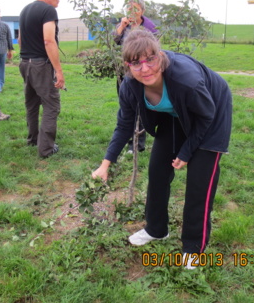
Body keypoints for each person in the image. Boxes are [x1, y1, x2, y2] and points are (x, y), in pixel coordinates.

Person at [92, 28, 232, 268]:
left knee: (199, 184)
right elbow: (124, 125)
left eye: (150, 59)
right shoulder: (130, 86)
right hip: (174, 113)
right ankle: (156, 230)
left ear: (159, 56)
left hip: (210, 114)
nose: (145, 69)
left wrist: (186, 152)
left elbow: (206, 117)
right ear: (128, 65)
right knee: (157, 172)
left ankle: (193, 247)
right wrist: (105, 164)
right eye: (136, 64)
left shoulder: (185, 79)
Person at [18, 0, 65, 157]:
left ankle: (33, 140)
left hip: (24, 63)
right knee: (52, 105)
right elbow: (48, 40)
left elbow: (20, 39)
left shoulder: (25, 10)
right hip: (40, 65)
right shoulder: (48, 11)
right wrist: (58, 70)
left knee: (31, 104)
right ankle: (46, 149)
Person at [114, 0, 157, 153]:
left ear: (143, 11)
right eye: (129, 9)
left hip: (141, 73)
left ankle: (137, 144)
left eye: (136, 9)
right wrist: (121, 26)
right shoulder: (124, 25)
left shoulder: (149, 28)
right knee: (126, 107)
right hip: (123, 73)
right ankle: (126, 139)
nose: (132, 12)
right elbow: (113, 40)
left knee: (140, 107)